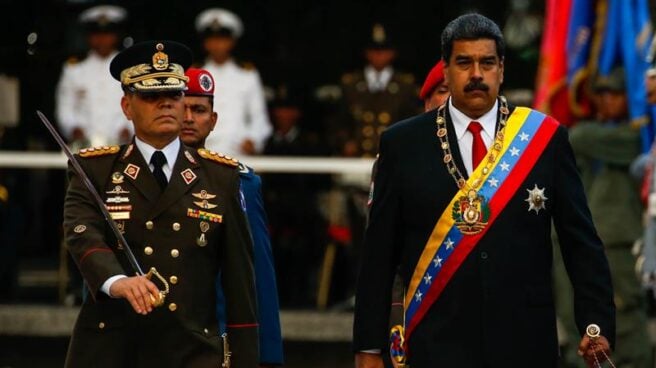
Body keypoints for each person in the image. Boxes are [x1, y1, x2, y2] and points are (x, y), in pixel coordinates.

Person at [353, 13, 615, 368]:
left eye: (487, 62)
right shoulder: (403, 144)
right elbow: (378, 255)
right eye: (464, 62)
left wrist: (596, 322)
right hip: (436, 344)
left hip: (524, 342)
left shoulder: (544, 139)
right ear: (445, 70)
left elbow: (580, 241)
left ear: (501, 69)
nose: (476, 74)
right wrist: (368, 347)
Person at [62, 40, 258, 368]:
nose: (166, 104)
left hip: (191, 350)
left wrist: (248, 360)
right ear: (127, 106)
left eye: (174, 95)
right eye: (152, 96)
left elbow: (240, 285)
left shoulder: (220, 177)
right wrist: (116, 281)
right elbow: (82, 233)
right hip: (113, 349)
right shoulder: (95, 170)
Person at [180, 67, 284, 367]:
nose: (188, 118)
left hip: (214, 340)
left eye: (198, 110)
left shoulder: (239, 182)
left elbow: (259, 274)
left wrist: (268, 356)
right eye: (182, 107)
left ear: (213, 122)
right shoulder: (137, 178)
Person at [567, 66, 651, 368]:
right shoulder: (604, 135)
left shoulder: (638, 137)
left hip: (620, 245)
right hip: (594, 244)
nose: (605, 101)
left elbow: (578, 136)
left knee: (625, 320)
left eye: (614, 94)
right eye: (600, 94)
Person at [195, 7, 272, 156]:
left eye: (222, 38)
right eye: (212, 39)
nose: (217, 44)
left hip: (239, 154)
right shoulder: (195, 73)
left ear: (232, 41)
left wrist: (253, 140)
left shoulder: (247, 74)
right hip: (201, 153)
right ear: (205, 43)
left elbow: (260, 118)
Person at [337, 23, 421, 158]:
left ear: (392, 53)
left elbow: (413, 121)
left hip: (394, 157)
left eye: (384, 50)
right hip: (356, 158)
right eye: (374, 50)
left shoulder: (406, 85)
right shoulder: (351, 84)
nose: (379, 55)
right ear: (366, 52)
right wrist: (345, 142)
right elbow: (339, 120)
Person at [55, 4, 132, 148]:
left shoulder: (128, 68)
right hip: (84, 146)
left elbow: (138, 104)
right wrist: (73, 128)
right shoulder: (74, 69)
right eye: (97, 34)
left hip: (122, 146)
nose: (102, 39)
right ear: (89, 36)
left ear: (115, 36)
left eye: (107, 34)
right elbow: (65, 108)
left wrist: (129, 128)